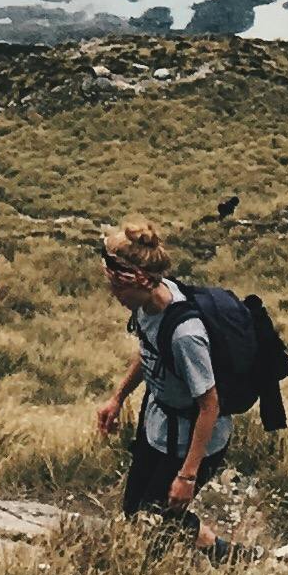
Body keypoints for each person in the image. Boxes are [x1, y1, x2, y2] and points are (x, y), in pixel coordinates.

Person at [92, 220, 221, 528]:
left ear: (141, 282)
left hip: (190, 437)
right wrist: (118, 398)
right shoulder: (145, 305)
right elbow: (151, 350)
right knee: (134, 511)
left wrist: (187, 476)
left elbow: (210, 405)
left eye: (119, 288)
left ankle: (227, 553)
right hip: (158, 425)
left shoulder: (186, 335)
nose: (115, 295)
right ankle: (212, 548)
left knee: (156, 524)